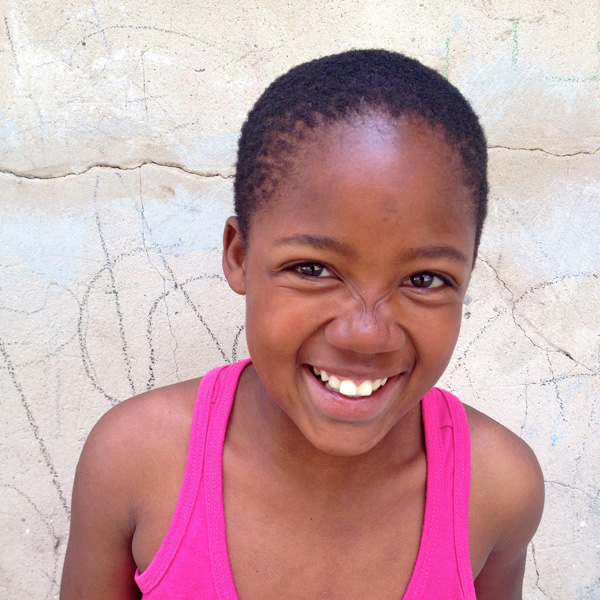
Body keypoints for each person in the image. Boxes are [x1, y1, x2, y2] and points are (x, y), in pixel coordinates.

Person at [60, 49, 544, 599]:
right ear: (239, 256)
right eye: (312, 269)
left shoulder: (497, 488)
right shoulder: (134, 462)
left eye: (424, 279)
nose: (366, 334)